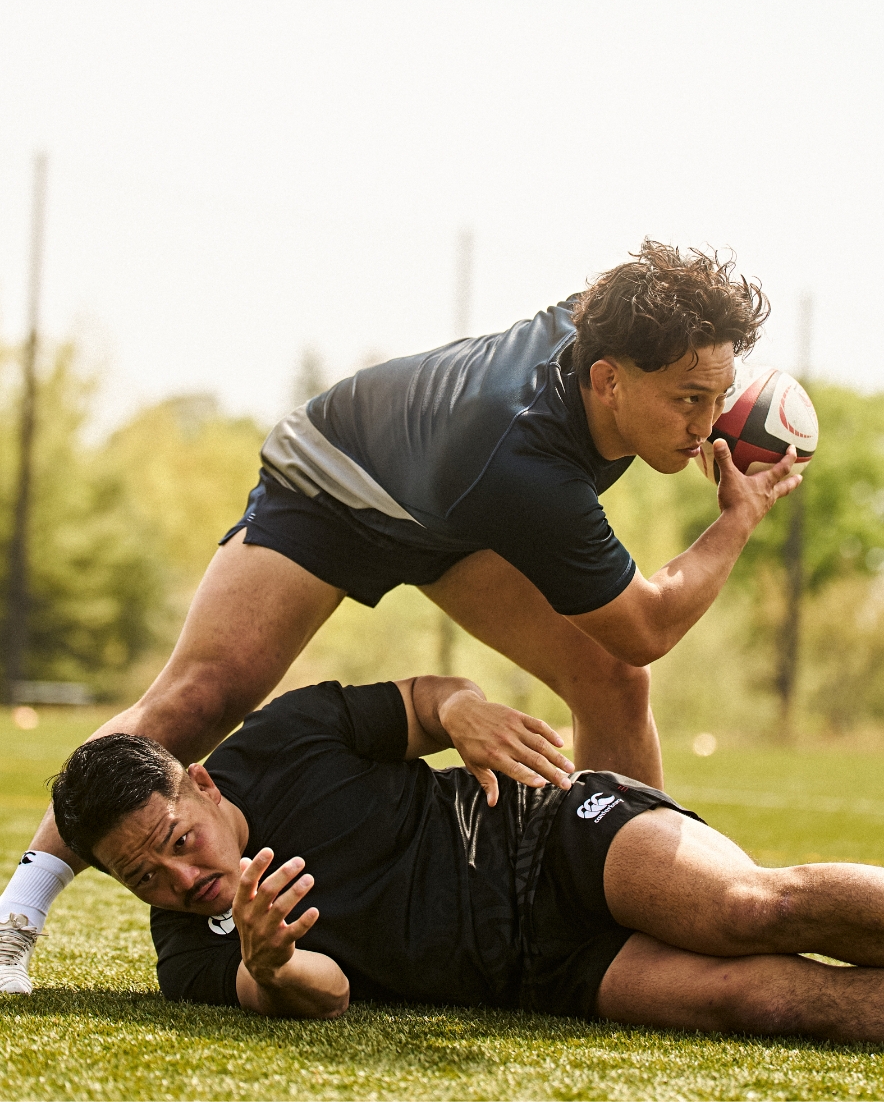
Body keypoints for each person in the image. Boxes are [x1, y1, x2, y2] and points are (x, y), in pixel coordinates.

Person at [0, 240, 801, 992]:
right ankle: (15, 917)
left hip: (452, 517)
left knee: (614, 683)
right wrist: (737, 518)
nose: (706, 423)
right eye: (689, 399)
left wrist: (700, 383)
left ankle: (648, 896)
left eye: (719, 396)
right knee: (200, 698)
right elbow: (647, 624)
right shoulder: (523, 464)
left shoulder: (611, 322)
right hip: (335, 486)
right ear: (607, 379)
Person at [43, 676, 884, 1042]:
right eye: (145, 878)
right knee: (761, 1001)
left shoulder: (281, 739)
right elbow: (329, 998)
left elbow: (421, 699)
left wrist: (462, 710)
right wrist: (273, 964)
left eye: (178, 844)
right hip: (536, 970)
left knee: (748, 908)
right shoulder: (187, 951)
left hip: (545, 832)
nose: (182, 882)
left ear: (200, 782)